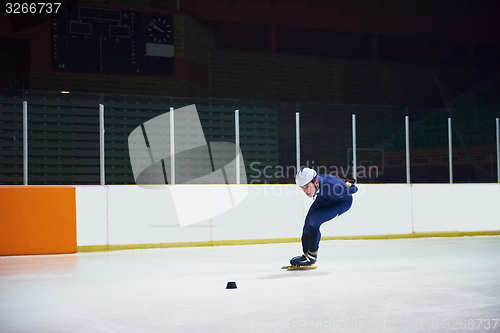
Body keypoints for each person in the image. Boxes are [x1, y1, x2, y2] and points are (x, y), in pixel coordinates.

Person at [290, 167, 358, 266]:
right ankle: (305, 255)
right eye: (302, 188)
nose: (305, 191)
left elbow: (354, 189)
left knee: (314, 220)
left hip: (341, 202)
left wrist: (346, 185)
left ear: (316, 182)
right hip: (324, 198)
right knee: (307, 225)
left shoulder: (334, 187)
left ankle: (311, 257)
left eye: (307, 186)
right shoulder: (317, 182)